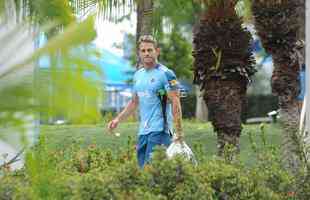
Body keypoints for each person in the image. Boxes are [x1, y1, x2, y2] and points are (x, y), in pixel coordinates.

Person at [107, 35, 184, 168]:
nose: (146, 53)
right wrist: (117, 120)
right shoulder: (138, 75)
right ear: (139, 53)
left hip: (160, 131)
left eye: (150, 50)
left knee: (152, 171)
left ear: (157, 51)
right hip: (143, 132)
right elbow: (134, 102)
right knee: (143, 171)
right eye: (143, 51)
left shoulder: (167, 74)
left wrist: (179, 131)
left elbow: (176, 102)